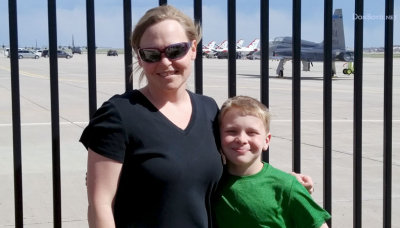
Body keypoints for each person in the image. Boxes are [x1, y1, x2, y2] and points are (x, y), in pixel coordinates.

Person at [80, 5, 313, 228]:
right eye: (151, 54)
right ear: (139, 57)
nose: (165, 62)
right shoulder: (118, 115)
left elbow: (233, 169)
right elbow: (100, 204)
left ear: (192, 49)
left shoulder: (208, 109)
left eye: (175, 50)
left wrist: (282, 184)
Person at [214, 95, 330, 228]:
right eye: (232, 131)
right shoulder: (210, 182)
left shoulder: (286, 186)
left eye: (251, 132)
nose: (242, 139)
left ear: (266, 140)